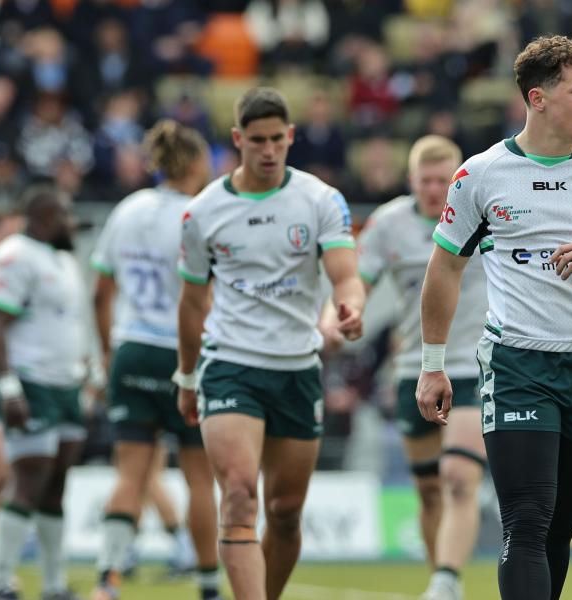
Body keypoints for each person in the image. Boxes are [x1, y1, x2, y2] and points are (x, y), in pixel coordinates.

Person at [416, 35, 572, 600]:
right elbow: (444, 270)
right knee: (526, 520)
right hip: (518, 363)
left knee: (561, 526)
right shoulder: (481, 174)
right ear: (538, 98)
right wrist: (432, 363)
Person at [175, 87, 365, 600]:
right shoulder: (202, 212)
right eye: (255, 140)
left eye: (276, 139)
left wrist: (350, 307)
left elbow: (346, 276)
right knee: (239, 496)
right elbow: (192, 305)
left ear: (291, 137)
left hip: (297, 368)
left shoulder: (321, 199)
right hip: (230, 365)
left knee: (284, 513)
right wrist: (187, 377)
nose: (267, 150)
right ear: (237, 139)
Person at [88, 119, 219, 600]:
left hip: (131, 349)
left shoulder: (127, 209)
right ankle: (207, 584)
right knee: (199, 477)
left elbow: (100, 292)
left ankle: (108, 579)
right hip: (183, 351)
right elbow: (205, 300)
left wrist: (108, 352)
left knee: (131, 472)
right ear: (193, 162)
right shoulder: (198, 214)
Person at [355, 135, 488, 600]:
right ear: (411, 180)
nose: (435, 189)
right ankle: (442, 578)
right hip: (414, 367)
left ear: (457, 180)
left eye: (443, 180)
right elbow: (357, 280)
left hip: (474, 365)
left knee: (457, 477)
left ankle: (445, 579)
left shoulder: (484, 210)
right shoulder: (388, 223)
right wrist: (341, 316)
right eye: (426, 180)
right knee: (430, 489)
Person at [0, 185, 91, 600]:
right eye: (66, 217)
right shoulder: (15, 255)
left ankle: (53, 584)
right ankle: (1, 580)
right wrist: (8, 384)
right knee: (30, 477)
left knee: (57, 483)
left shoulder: (64, 259)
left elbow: (70, 323)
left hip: (66, 382)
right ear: (46, 218)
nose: (72, 225)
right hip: (32, 382)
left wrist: (89, 370)